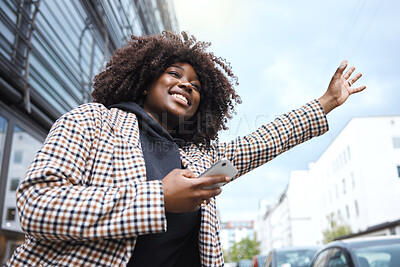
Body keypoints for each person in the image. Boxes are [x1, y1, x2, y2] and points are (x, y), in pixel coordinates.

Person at [6, 31, 365, 267]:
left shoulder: (199, 157)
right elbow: (37, 206)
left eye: (195, 84)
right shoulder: (93, 122)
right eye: (174, 74)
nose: (185, 85)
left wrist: (326, 102)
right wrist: (158, 198)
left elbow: (263, 141)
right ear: (145, 81)